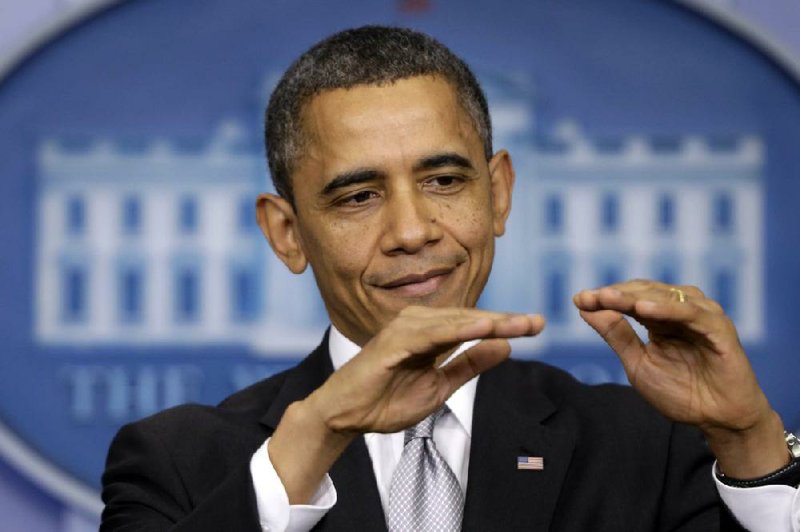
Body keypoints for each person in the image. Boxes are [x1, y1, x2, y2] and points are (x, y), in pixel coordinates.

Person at [101, 26, 800, 531]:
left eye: (443, 180)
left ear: (498, 194)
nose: (412, 231)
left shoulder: (647, 449)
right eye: (358, 197)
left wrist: (750, 445)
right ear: (287, 233)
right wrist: (312, 438)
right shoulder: (178, 464)